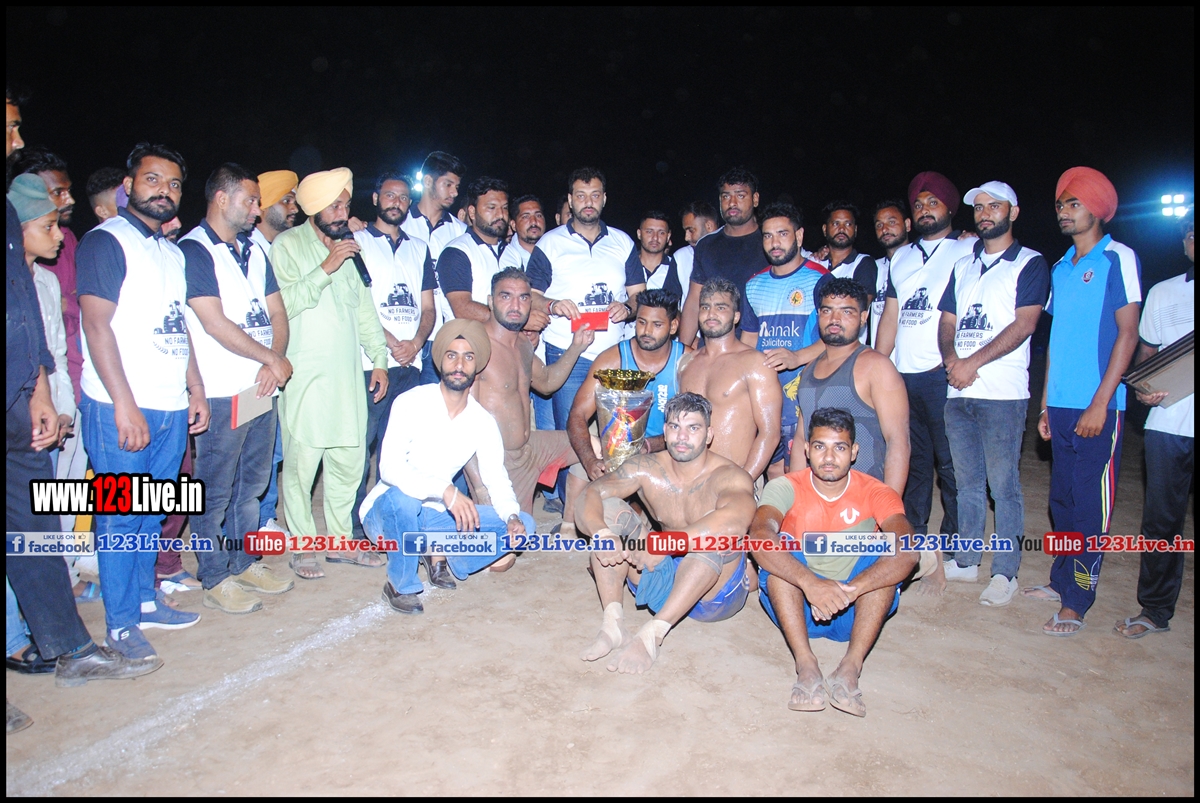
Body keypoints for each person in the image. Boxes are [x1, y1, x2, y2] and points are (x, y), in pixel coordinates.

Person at [5, 91, 157, 723]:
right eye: (10, 128)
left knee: (39, 526)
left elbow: (31, 325)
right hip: (75, 397)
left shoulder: (32, 257)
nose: (17, 141)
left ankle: (67, 645)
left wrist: (41, 391)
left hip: (28, 403)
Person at [76, 142, 209, 659]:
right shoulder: (106, 241)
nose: (164, 191)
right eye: (153, 180)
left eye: (174, 184)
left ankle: (147, 602)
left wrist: (194, 388)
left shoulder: (171, 253)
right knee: (120, 517)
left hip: (169, 405)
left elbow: (180, 325)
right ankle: (120, 625)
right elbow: (96, 325)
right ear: (128, 186)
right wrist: (123, 404)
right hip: (120, 407)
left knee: (151, 514)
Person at [1022, 167, 1141, 636]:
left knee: (1091, 505)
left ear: (1099, 209)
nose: (1064, 211)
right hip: (1062, 404)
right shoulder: (1060, 267)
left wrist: (1100, 402)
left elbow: (1128, 333)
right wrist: (1046, 404)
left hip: (1100, 406)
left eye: (1074, 203)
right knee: (1063, 500)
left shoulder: (1117, 258)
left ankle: (1078, 600)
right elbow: (1056, 341)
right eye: (1060, 204)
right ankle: (1060, 581)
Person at [751, 407, 919, 717]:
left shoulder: (876, 492)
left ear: (854, 452)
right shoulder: (786, 486)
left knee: (886, 554)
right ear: (806, 449)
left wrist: (851, 590)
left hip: (855, 611)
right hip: (799, 607)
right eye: (820, 446)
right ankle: (806, 665)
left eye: (839, 447)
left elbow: (908, 550)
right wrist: (811, 584)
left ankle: (850, 667)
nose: (829, 457)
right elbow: (759, 536)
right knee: (778, 551)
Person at [179, 163, 295, 613]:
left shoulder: (253, 251)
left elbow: (277, 313)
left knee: (251, 483)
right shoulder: (195, 250)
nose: (256, 209)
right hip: (223, 391)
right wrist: (271, 359)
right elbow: (212, 322)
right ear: (222, 198)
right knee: (214, 489)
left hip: (258, 390)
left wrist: (273, 361)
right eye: (249, 200)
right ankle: (214, 575)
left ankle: (244, 561)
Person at [360, 319, 536, 613]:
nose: (459, 365)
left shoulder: (482, 421)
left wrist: (512, 515)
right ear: (440, 360)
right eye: (452, 355)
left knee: (525, 526)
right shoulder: (410, 401)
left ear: (477, 366)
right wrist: (445, 489)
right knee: (404, 499)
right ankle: (399, 584)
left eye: (468, 357)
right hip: (387, 514)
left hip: (436, 516)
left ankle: (438, 549)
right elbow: (389, 468)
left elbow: (496, 478)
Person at [575, 392, 757, 673]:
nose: (682, 436)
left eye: (693, 428)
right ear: (665, 430)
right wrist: (601, 534)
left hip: (713, 595)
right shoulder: (646, 468)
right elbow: (590, 494)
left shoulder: (729, 476)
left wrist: (663, 543)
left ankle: (652, 635)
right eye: (674, 426)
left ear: (709, 435)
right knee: (608, 510)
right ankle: (613, 625)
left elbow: (735, 522)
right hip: (663, 575)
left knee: (714, 539)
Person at [270, 167, 389, 579]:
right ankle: (303, 546)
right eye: (335, 206)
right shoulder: (286, 246)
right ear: (314, 208)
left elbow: (365, 311)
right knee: (301, 468)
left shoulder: (349, 250)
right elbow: (284, 304)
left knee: (349, 463)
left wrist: (379, 359)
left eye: (345, 204)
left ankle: (339, 543)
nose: (343, 213)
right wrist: (326, 267)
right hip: (305, 378)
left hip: (347, 379)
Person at [937, 181, 1049, 606]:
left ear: (1013, 212)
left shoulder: (1030, 263)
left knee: (1004, 488)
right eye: (979, 207)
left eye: (994, 206)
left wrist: (972, 363)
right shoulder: (964, 265)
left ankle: (1005, 572)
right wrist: (952, 359)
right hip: (958, 392)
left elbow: (1025, 324)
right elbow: (947, 321)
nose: (985, 213)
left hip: (1002, 392)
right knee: (967, 483)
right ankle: (967, 562)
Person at [527, 167, 636, 501]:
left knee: (618, 431)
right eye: (580, 195)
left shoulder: (623, 242)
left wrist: (628, 308)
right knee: (569, 432)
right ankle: (567, 505)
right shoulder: (550, 243)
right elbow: (530, 295)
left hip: (614, 353)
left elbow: (639, 296)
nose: (588, 202)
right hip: (567, 352)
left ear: (604, 199)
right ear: (570, 200)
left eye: (595, 195)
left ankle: (612, 499)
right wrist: (552, 304)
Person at [874, 171, 972, 540]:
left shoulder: (968, 249)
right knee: (912, 459)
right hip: (903, 375)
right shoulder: (901, 257)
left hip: (941, 374)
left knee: (950, 462)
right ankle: (913, 533)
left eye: (934, 202)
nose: (925, 209)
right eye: (919, 204)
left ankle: (954, 539)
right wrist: (878, 364)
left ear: (950, 208)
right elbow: (891, 315)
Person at [1115, 208, 1193, 638]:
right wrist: (1143, 389)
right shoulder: (1164, 292)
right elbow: (1146, 355)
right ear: (1185, 241)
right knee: (1161, 522)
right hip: (1169, 424)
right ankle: (1155, 609)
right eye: (1192, 233)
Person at [349, 171, 436, 540]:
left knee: (397, 450)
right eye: (389, 195)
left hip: (410, 364)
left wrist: (415, 342)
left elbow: (428, 307)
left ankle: (386, 521)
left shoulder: (420, 248)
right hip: (371, 363)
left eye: (402, 197)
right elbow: (356, 303)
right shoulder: (356, 241)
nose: (396, 202)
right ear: (375, 198)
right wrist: (388, 342)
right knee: (360, 446)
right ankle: (354, 525)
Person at [468, 268, 592, 519]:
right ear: (491, 301)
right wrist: (479, 485)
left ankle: (570, 524)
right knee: (511, 542)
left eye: (523, 298)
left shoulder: (523, 343)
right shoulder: (474, 344)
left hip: (530, 449)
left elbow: (546, 382)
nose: (516, 305)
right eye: (506, 296)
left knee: (593, 448)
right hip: (496, 464)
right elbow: (461, 422)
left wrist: (576, 347)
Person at [792, 277, 910, 492]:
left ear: (863, 317)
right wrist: (795, 497)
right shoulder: (808, 370)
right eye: (827, 311)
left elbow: (898, 440)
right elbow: (801, 440)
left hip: (864, 498)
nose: (834, 319)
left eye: (846, 311)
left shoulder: (877, 366)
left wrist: (890, 504)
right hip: (817, 499)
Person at [740, 202, 829, 477]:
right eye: (768, 236)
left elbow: (835, 339)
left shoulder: (820, 279)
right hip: (766, 391)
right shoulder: (753, 285)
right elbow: (748, 339)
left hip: (805, 390)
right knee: (773, 466)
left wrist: (797, 357)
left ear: (799, 236)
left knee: (799, 469)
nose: (774, 243)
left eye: (782, 234)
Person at [568, 288, 690, 479]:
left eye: (657, 324)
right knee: (577, 475)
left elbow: (696, 425)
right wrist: (589, 461)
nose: (647, 331)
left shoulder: (687, 361)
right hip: (616, 452)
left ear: (673, 326)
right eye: (642, 322)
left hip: (669, 452)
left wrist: (649, 445)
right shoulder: (612, 359)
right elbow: (578, 414)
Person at [677, 278, 782, 479]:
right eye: (705, 307)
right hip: (691, 482)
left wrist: (742, 483)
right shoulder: (687, 363)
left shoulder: (755, 363)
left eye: (721, 307)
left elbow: (770, 434)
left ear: (736, 316)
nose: (711, 314)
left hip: (736, 479)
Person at [249, 169, 299, 535]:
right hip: (248, 371)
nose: (294, 207)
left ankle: (264, 517)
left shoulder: (282, 247)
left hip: (277, 366)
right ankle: (252, 521)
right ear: (263, 205)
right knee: (251, 450)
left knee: (272, 447)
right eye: (286, 200)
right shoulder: (248, 250)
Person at [401, 151, 467, 385]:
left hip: (445, 337)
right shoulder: (400, 224)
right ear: (428, 181)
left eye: (457, 186)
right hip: (407, 337)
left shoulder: (460, 231)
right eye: (448, 184)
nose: (454, 192)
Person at [679, 168, 763, 344]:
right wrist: (682, 349)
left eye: (740, 195)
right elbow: (694, 301)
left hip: (761, 347)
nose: (732, 203)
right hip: (713, 347)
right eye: (726, 196)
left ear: (755, 199)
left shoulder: (769, 242)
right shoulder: (706, 245)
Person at [437, 176, 511, 323]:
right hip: (466, 336)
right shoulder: (457, 252)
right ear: (472, 212)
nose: (501, 215)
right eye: (492, 208)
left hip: (505, 337)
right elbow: (463, 308)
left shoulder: (512, 252)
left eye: (504, 208)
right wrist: (513, 320)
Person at [817, 201, 878, 345]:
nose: (842, 229)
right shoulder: (815, 262)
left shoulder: (863, 263)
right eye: (836, 223)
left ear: (855, 230)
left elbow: (859, 308)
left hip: (847, 347)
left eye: (848, 224)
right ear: (825, 229)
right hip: (813, 345)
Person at [867, 200, 911, 348]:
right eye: (879, 225)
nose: (885, 229)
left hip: (912, 359)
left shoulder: (923, 264)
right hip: (879, 356)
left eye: (891, 222)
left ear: (907, 224)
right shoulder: (873, 267)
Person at [624, 210, 690, 303]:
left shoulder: (677, 267)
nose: (655, 237)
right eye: (649, 232)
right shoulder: (625, 265)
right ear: (639, 234)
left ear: (668, 236)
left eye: (661, 233)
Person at [251, 169, 299, 253]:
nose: (295, 209)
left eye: (295, 203)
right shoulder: (246, 249)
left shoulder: (292, 247)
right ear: (263, 205)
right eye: (286, 201)